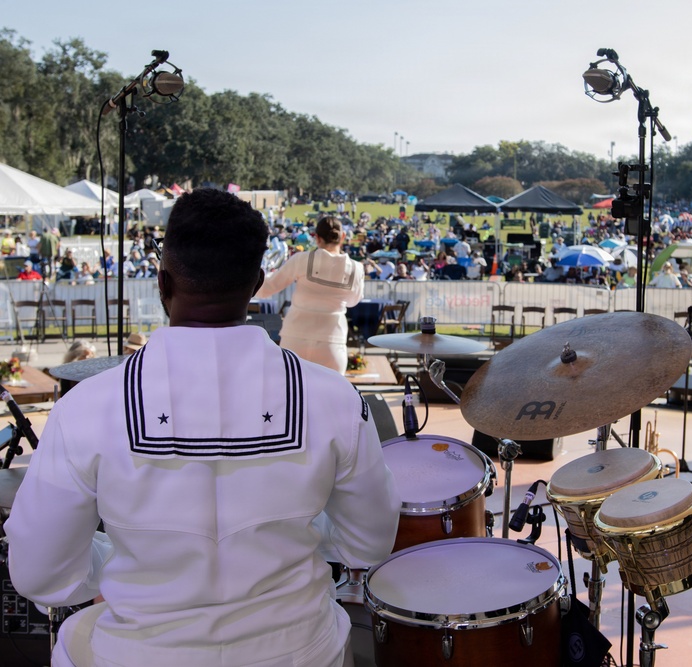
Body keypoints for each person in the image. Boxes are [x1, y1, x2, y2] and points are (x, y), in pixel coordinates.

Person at [5, 187, 400, 667]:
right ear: (256, 283)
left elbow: (41, 574)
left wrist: (117, 560)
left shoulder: (87, 408)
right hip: (300, 651)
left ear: (162, 282)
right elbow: (370, 541)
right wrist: (297, 530)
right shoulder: (336, 399)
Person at [256, 215, 365, 375]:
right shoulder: (356, 268)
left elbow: (267, 288)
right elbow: (352, 302)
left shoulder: (301, 259)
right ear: (342, 237)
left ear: (316, 238)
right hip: (332, 342)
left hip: (295, 338)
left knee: (291, 395)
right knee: (330, 397)